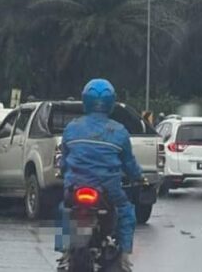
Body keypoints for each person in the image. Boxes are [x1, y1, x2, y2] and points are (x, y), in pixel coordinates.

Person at [56, 79, 143, 272]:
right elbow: (130, 165)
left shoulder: (72, 128)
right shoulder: (119, 131)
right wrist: (139, 177)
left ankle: (63, 253)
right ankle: (124, 260)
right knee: (127, 212)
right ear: (111, 102)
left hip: (75, 187)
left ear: (85, 100)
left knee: (64, 208)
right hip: (108, 190)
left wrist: (63, 172)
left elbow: (64, 160)